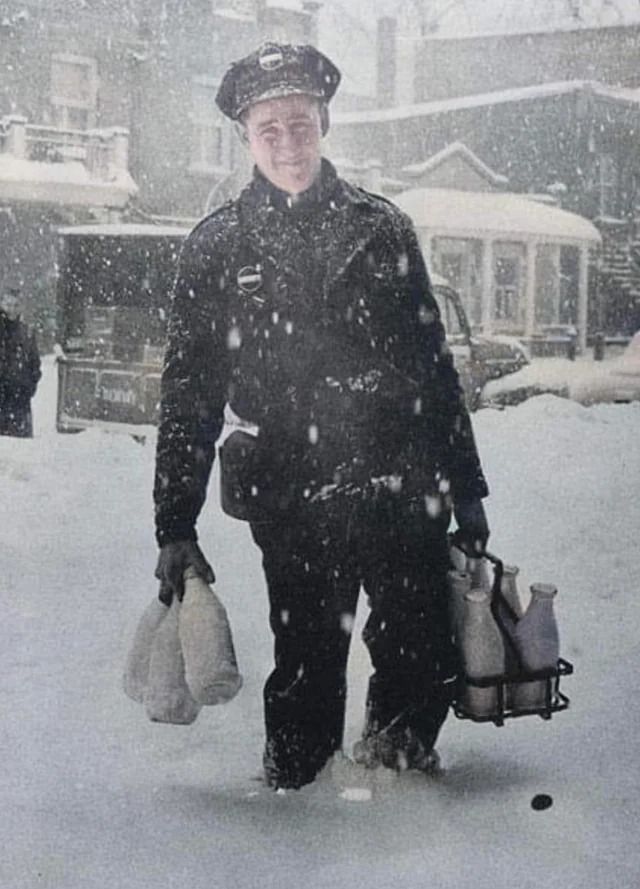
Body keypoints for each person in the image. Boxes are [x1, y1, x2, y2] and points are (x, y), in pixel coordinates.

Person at [153, 42, 490, 790]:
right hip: (294, 491)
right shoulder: (216, 248)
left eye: (300, 124)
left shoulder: (383, 229)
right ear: (246, 137)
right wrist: (175, 521)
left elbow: (436, 370)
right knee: (306, 660)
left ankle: (404, 793)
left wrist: (466, 489)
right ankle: (298, 813)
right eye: (269, 128)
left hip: (403, 478)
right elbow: (189, 393)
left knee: (417, 649)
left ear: (325, 121)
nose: (287, 143)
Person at [0, 286, 41, 438]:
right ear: (1, 304)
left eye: (16, 305)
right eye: (8, 305)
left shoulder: (27, 332)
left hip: (20, 401)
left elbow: (35, 364)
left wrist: (30, 386)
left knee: (21, 451)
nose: (12, 309)